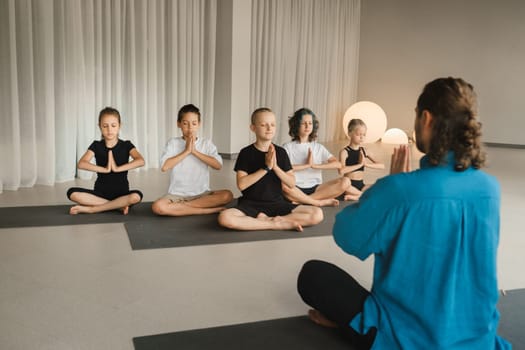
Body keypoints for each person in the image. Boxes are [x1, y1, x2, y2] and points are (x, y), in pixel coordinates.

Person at [297, 77, 511, 349]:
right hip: (476, 338)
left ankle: (351, 328)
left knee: (313, 274)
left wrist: (387, 189)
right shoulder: (490, 189)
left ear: (426, 118)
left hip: (403, 338)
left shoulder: (399, 189)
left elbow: (347, 236)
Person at [218, 107, 323, 231]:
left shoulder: (281, 152)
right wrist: (266, 168)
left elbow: (291, 183)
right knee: (225, 218)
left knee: (317, 214)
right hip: (250, 204)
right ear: (253, 128)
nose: (269, 128)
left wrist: (276, 168)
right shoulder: (245, 153)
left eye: (272, 125)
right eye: (264, 125)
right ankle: (275, 224)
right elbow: (241, 185)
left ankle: (265, 221)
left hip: (277, 203)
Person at [151, 104, 233, 216]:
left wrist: (194, 151)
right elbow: (164, 167)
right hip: (177, 195)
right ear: (178, 124)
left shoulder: (206, 144)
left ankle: (182, 208)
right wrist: (186, 151)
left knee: (227, 195)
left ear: (199, 124)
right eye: (185, 123)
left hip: (202, 194)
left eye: (194, 123)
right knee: (158, 207)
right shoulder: (173, 143)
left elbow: (218, 165)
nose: (190, 128)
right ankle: (205, 210)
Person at [67, 107, 145, 215]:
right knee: (72, 193)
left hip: (122, 194)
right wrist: (104, 169)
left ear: (119, 126)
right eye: (105, 126)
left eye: (113, 126)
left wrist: (117, 168)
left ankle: (93, 209)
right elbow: (81, 164)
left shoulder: (126, 145)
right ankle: (118, 207)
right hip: (100, 194)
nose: (109, 130)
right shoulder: (96, 145)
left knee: (136, 196)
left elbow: (141, 161)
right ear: (99, 127)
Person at [282, 108, 350, 207]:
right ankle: (317, 201)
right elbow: (283, 169)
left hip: (317, 188)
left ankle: (304, 201)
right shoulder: (287, 147)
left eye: (310, 123)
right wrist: (306, 165)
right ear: (296, 125)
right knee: (283, 186)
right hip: (295, 188)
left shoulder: (318, 147)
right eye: (303, 123)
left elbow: (338, 164)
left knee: (346, 182)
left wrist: (315, 166)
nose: (307, 126)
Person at [339, 119, 384, 201]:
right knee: (343, 187)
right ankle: (362, 196)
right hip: (349, 186)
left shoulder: (365, 150)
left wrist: (366, 164)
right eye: (358, 134)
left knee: (381, 187)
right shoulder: (344, 152)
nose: (361, 137)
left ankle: (358, 196)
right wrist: (359, 165)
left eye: (364, 134)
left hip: (361, 185)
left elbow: (382, 165)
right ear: (349, 133)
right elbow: (341, 171)